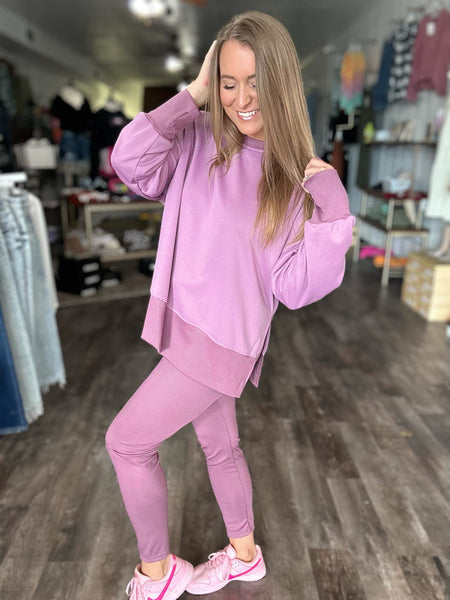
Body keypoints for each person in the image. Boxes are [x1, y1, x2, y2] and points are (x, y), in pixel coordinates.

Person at [105, 10, 355, 600]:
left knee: (127, 442)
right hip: (184, 327)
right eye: (228, 82)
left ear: (282, 84)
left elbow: (297, 286)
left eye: (256, 83)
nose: (242, 100)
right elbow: (129, 164)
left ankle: (157, 573)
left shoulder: (294, 178)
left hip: (220, 344)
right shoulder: (196, 137)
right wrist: (191, 95)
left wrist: (335, 210)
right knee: (221, 446)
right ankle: (245, 557)